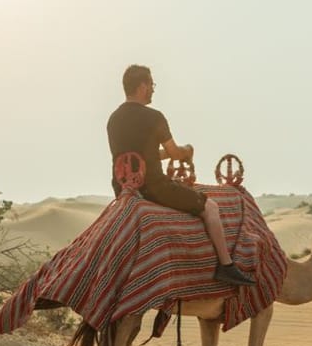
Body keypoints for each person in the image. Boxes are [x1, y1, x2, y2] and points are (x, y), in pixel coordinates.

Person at [107, 65, 255, 286]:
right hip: (154, 188)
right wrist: (187, 150)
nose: (153, 91)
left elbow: (143, 157)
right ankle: (226, 265)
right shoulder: (154, 117)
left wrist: (166, 155)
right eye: (152, 85)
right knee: (211, 208)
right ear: (142, 86)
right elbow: (175, 153)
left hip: (123, 189)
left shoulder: (114, 119)